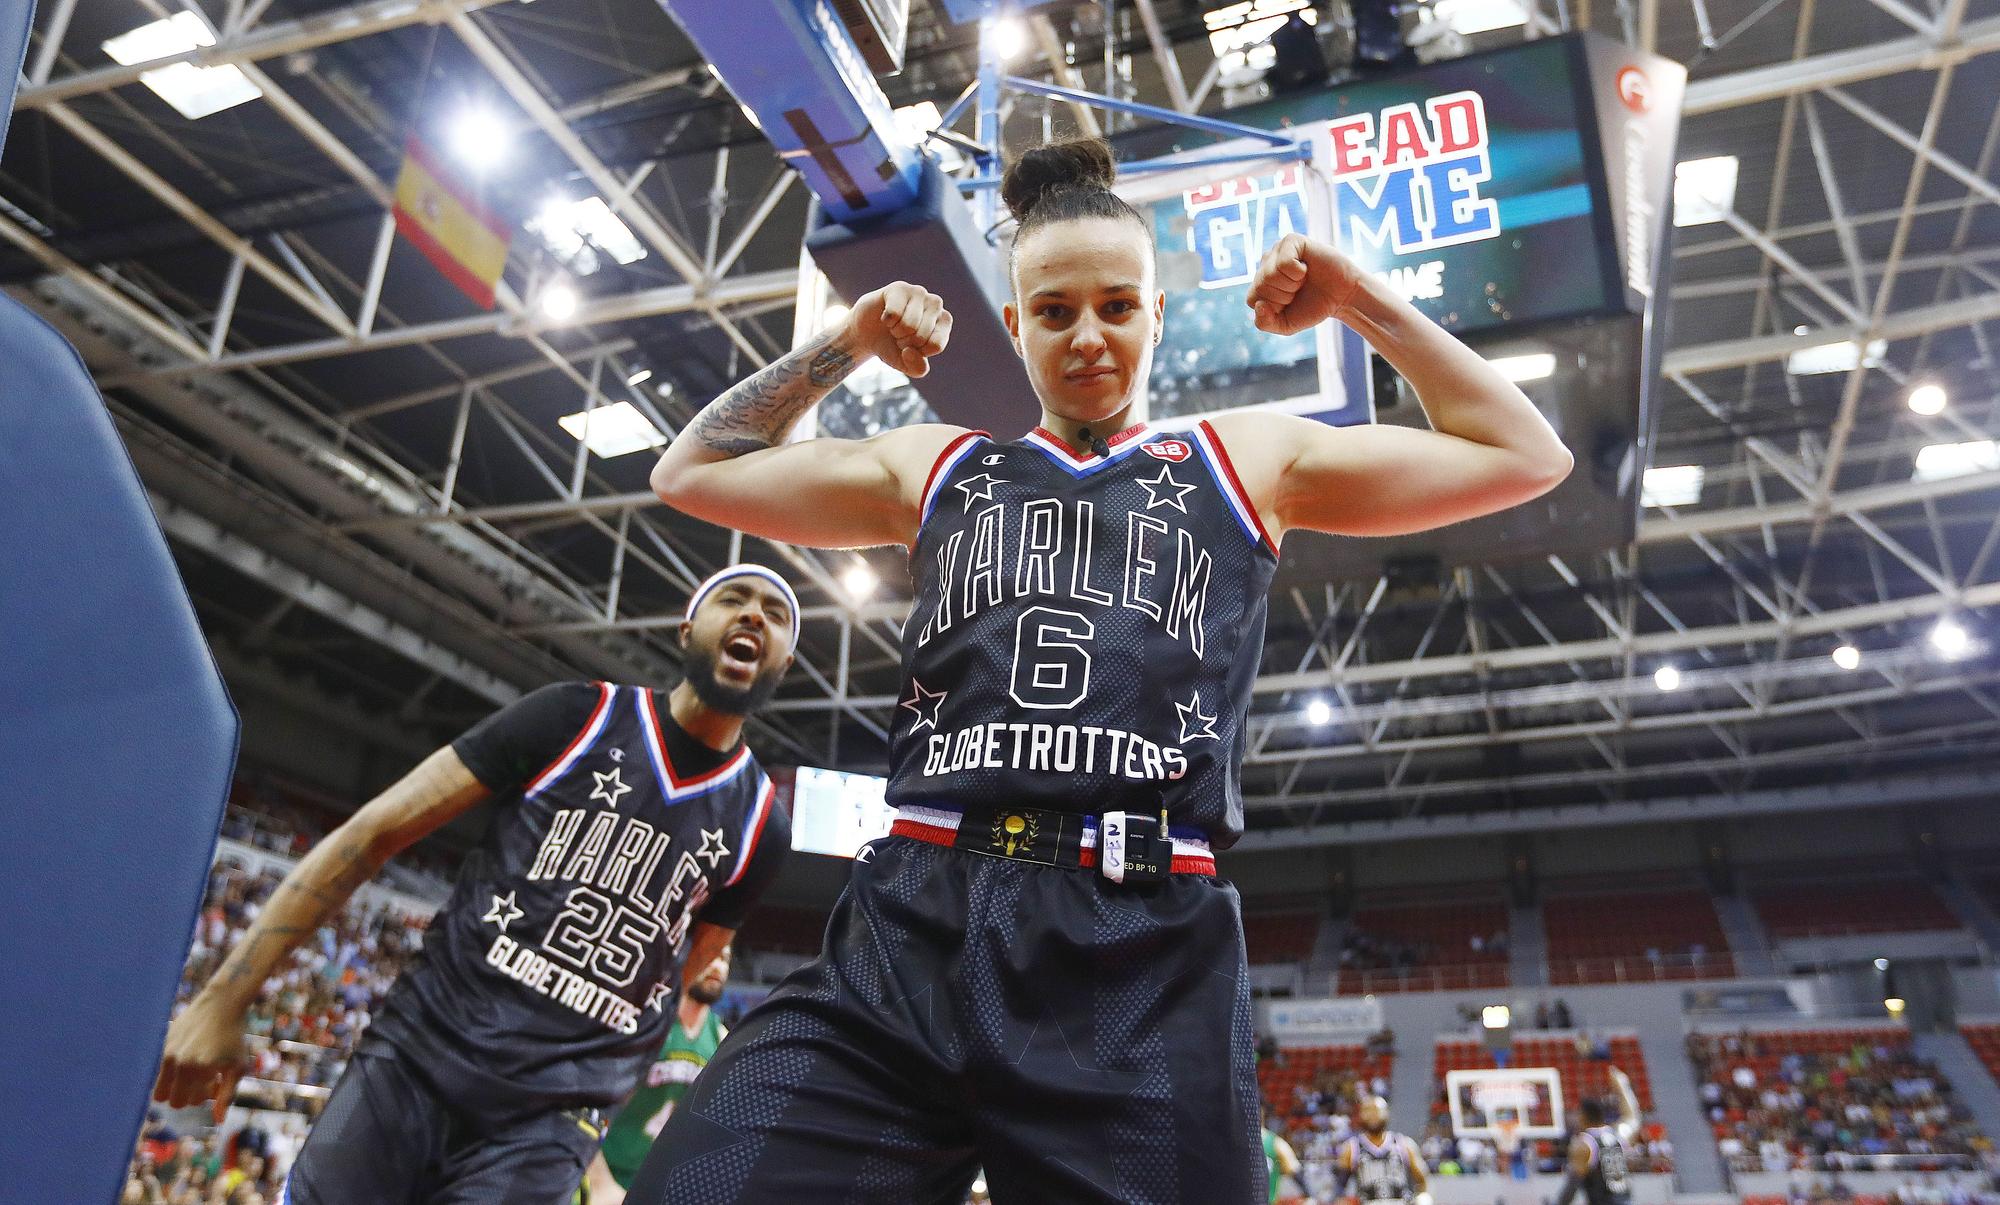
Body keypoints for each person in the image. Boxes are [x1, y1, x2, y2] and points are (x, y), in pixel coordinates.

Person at [637, 136, 1570, 1202]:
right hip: (913, 924)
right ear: (1014, 327)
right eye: (1054, 310)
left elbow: (1522, 454)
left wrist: (1358, 299)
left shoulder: (1243, 458)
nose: (1087, 336)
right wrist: (844, 342)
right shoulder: (936, 464)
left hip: (1136, 946)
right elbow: (690, 470)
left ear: (1156, 316)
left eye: (1116, 306)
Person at [151, 565, 800, 1204]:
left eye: (775, 614)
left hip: (549, 1119)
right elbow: (375, 830)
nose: (753, 616)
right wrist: (223, 999)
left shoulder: (759, 824)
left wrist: (606, 1113)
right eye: (735, 599)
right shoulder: (578, 716)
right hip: (415, 1058)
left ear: (784, 664)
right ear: (687, 629)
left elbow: (690, 972)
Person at [583, 943, 736, 1204]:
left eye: (724, 958)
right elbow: (588, 1108)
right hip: (606, 1172)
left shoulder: (722, 1040)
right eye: (712, 954)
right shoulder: (648, 1024)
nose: (718, 966)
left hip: (659, 1181)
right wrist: (601, 1184)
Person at [1558, 1067, 1642, 1205]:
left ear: (1583, 1116)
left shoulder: (1584, 1144)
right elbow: (1632, 1117)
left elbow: (1571, 1187)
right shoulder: (1618, 1135)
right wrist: (1623, 1085)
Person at [1336, 1095, 1431, 1205]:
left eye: (1377, 1110)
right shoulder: (1351, 1147)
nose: (1373, 1115)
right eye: (1368, 1110)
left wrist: (1422, 1198)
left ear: (1387, 1112)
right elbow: (1339, 1186)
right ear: (1361, 1114)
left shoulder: (1404, 1144)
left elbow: (1423, 1180)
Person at [1264, 1111, 1305, 1204]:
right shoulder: (1276, 1142)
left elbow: (1295, 1169)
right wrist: (1309, 1195)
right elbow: (1295, 1170)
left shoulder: (1275, 1142)